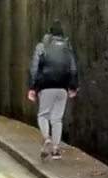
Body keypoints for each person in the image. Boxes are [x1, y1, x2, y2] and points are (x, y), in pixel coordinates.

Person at [28, 21, 80, 160]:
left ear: (49, 32)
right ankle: (56, 150)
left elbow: (34, 67)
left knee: (43, 115)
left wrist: (32, 87)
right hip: (62, 87)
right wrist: (73, 86)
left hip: (46, 86)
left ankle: (46, 139)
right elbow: (73, 67)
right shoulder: (67, 47)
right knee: (57, 119)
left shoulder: (42, 46)